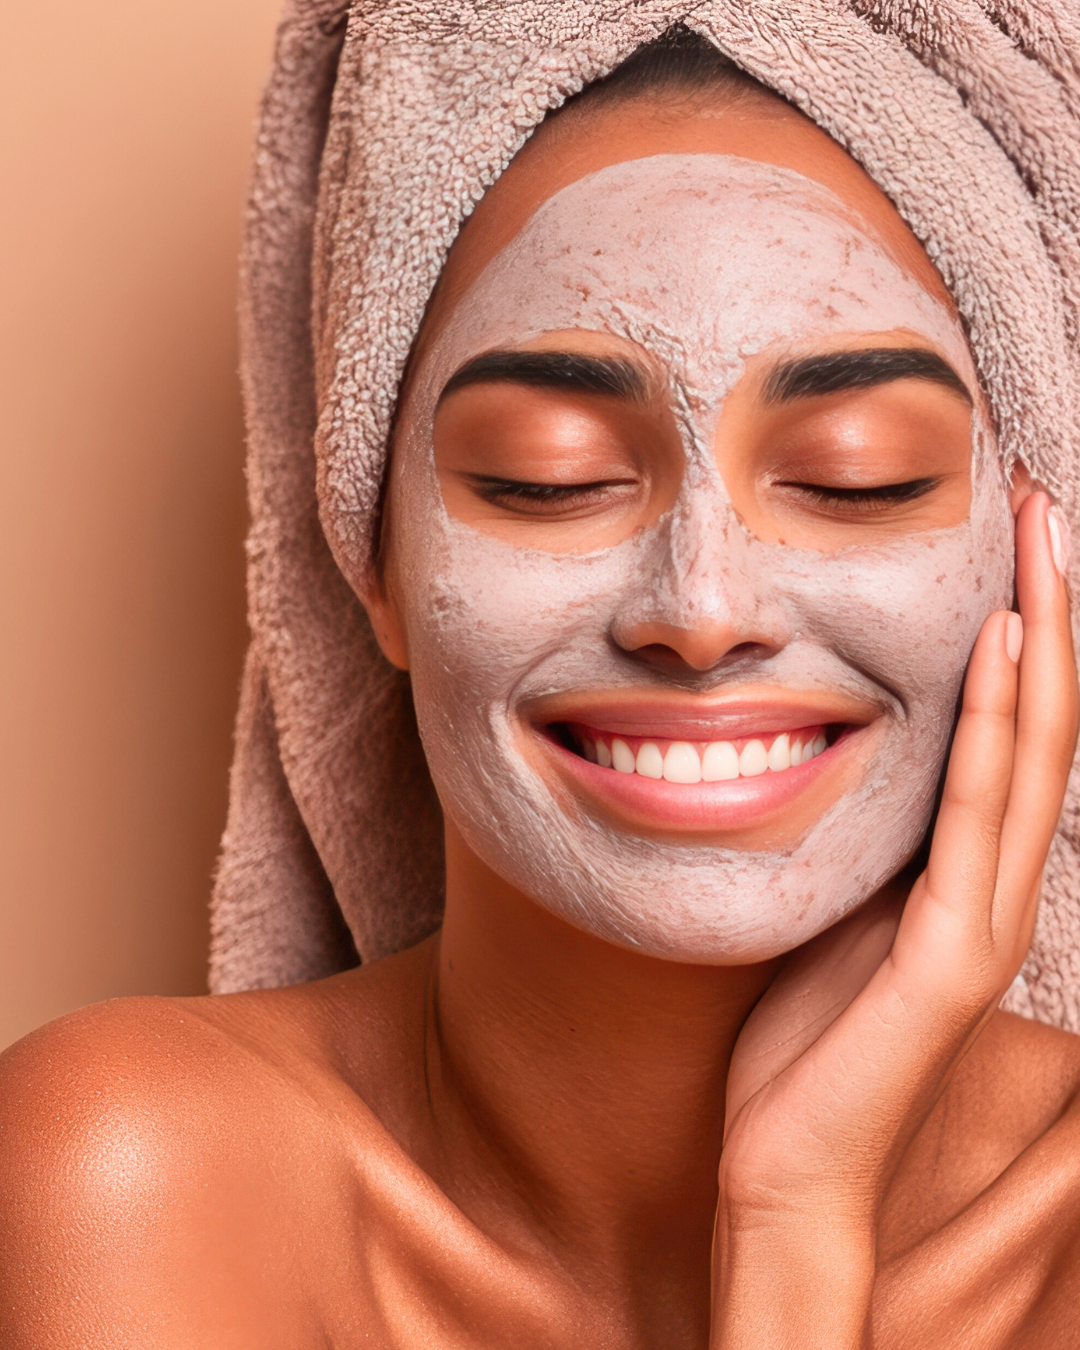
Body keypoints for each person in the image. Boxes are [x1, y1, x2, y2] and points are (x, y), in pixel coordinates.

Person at [2, 19, 1079, 1349]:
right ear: (371, 559)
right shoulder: (133, 1179)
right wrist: (791, 1250)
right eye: (548, 473)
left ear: (1031, 553)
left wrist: (798, 1210)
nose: (702, 609)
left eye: (858, 473)